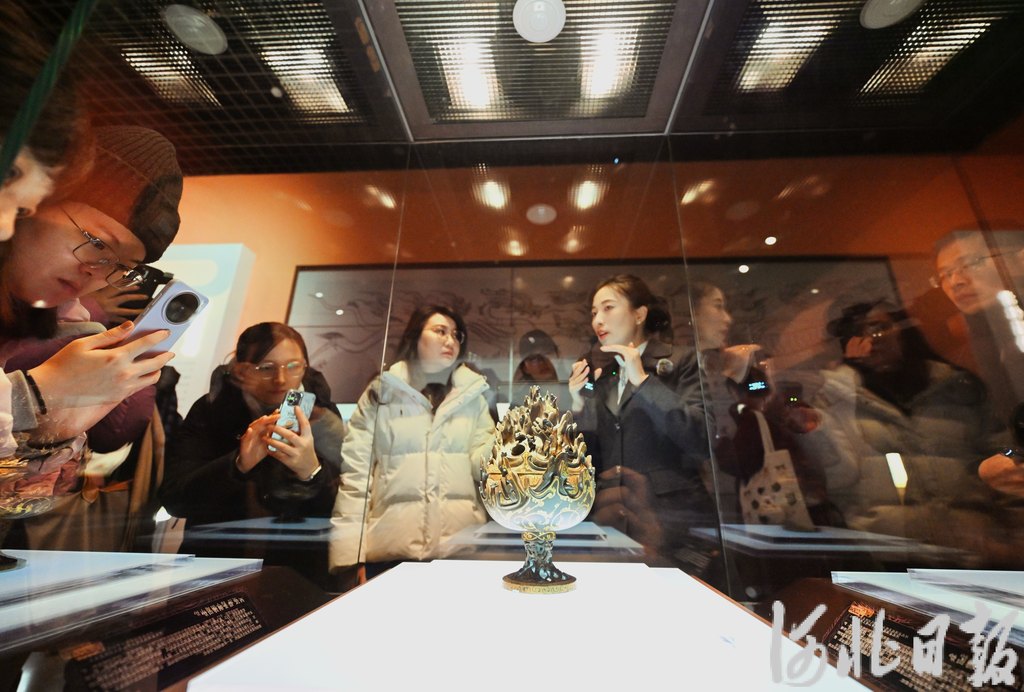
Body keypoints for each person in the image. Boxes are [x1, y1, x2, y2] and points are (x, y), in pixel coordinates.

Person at [0, 126, 182, 542]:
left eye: (121, 268)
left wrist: (49, 434)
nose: (97, 275)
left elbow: (16, 502)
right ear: (33, 200)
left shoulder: (66, 325)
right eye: (97, 243)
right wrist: (36, 394)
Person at [797, 299, 1021, 565]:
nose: (871, 340)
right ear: (845, 345)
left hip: (984, 559)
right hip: (892, 566)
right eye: (856, 334)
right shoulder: (833, 406)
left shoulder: (958, 389)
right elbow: (835, 489)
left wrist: (1016, 542)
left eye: (879, 328)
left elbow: (1007, 464)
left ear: (903, 329)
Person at [160, 323, 345, 587]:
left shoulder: (321, 416)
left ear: (305, 366)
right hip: (215, 568)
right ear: (242, 370)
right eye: (266, 368)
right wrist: (237, 465)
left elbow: (344, 508)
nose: (281, 379)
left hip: (298, 574)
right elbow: (175, 500)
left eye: (293, 366)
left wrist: (312, 472)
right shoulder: (212, 410)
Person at [567, 274, 721, 581]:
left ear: (639, 314)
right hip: (614, 518)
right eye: (594, 312)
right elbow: (588, 458)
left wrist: (644, 382)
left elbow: (703, 439)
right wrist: (578, 404)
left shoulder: (680, 361)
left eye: (608, 307)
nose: (598, 320)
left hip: (672, 520)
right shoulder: (604, 374)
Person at [329, 305, 494, 586]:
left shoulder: (472, 397)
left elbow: (484, 467)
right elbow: (356, 478)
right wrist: (349, 557)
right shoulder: (381, 394)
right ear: (415, 337)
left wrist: (512, 441)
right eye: (440, 331)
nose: (451, 340)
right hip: (390, 552)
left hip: (460, 551)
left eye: (457, 335)